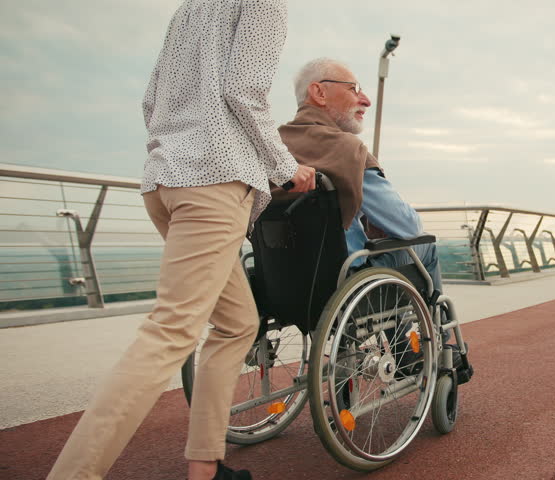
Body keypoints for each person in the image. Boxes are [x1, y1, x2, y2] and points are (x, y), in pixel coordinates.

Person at [47, 1, 314, 479]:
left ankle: (204, 467)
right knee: (170, 332)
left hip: (167, 180)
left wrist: (177, 146)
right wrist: (285, 167)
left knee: (236, 324)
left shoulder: (191, 9)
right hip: (214, 182)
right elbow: (243, 90)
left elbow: (151, 100)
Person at [275, 57, 443, 295]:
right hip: (346, 284)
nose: (366, 100)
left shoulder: (274, 148)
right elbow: (408, 226)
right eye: (353, 89)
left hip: (284, 285)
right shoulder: (346, 149)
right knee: (424, 244)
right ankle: (435, 331)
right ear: (319, 92)